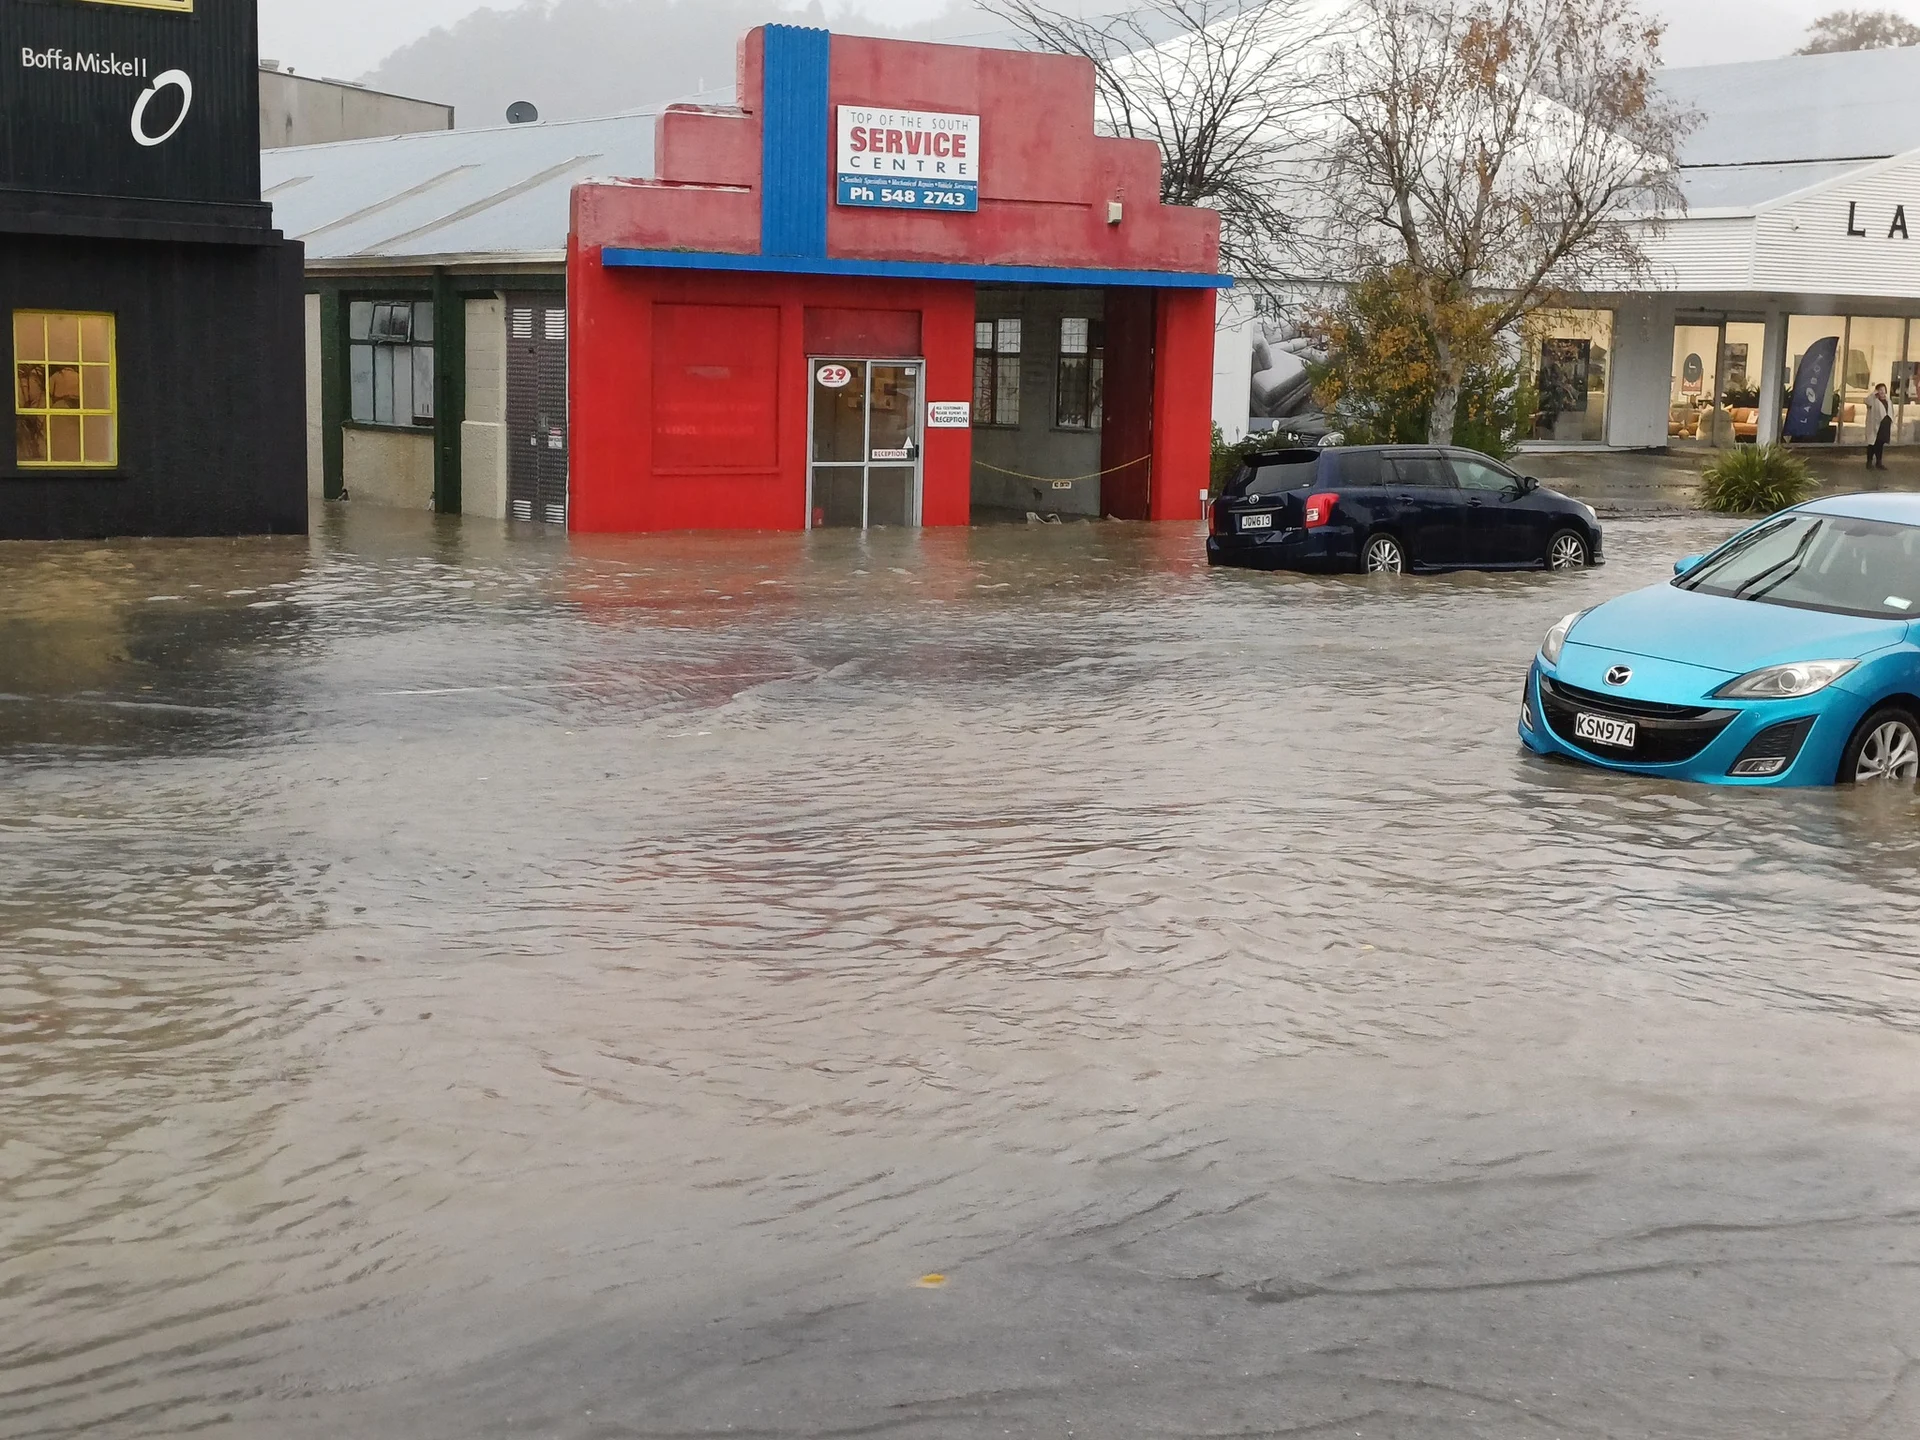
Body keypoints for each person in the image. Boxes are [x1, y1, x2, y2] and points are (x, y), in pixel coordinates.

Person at [1866, 382, 1893, 469]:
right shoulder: (1873, 400)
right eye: (1880, 390)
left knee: (1880, 444)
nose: (1882, 392)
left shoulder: (1888, 400)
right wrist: (1873, 393)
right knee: (1873, 443)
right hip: (1875, 425)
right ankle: (1869, 461)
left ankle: (1879, 462)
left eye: (1883, 389)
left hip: (1885, 425)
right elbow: (1867, 401)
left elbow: (1891, 411)